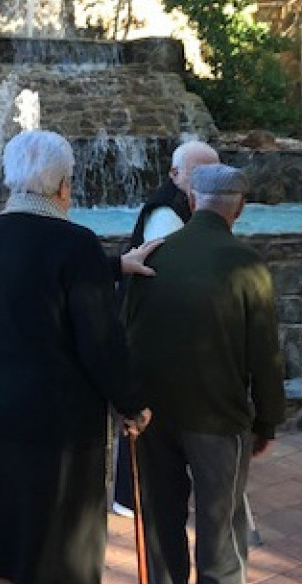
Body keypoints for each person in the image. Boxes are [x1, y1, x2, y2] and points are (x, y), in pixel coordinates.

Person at [0, 130, 152, 584]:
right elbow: (100, 341)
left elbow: (31, 276)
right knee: (51, 546)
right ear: (64, 185)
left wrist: (112, 265)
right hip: (48, 419)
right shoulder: (76, 242)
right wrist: (131, 403)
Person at [124, 164, 286, 584]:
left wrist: (128, 404)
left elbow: (127, 333)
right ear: (241, 208)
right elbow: (264, 353)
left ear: (192, 202)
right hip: (218, 417)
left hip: (152, 417)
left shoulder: (152, 254)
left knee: (160, 524)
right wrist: (267, 420)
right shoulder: (246, 265)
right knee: (221, 531)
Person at [112, 139, 220, 518]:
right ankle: (131, 497)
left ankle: (139, 492)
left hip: (156, 326)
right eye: (197, 172)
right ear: (175, 174)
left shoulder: (185, 206)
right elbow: (171, 275)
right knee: (147, 412)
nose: (205, 179)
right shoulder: (165, 213)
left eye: (211, 172)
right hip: (150, 328)